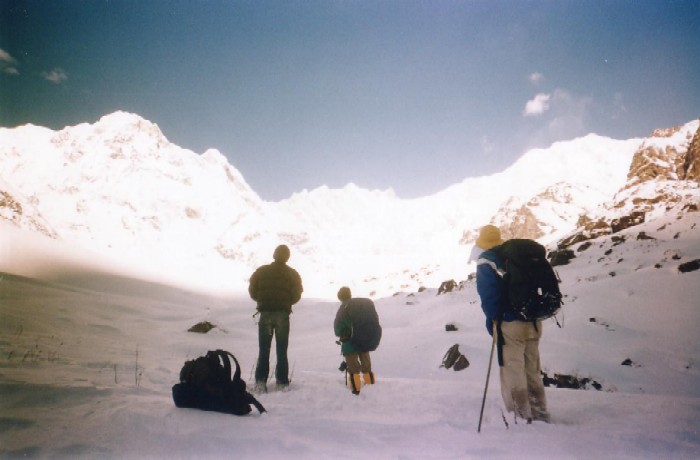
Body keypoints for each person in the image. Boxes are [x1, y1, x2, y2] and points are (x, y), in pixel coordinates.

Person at [472, 225, 550, 423]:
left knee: (513, 369)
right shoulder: (517, 256)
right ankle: (540, 412)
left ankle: (521, 416)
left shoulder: (486, 261)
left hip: (510, 323)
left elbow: (489, 298)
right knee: (532, 368)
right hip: (533, 320)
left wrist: (493, 321)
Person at [248, 244, 303, 392]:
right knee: (282, 350)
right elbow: (297, 293)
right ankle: (282, 382)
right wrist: (286, 303)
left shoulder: (261, 271)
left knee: (264, 350)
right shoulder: (292, 274)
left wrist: (262, 301)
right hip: (282, 315)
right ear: (287, 257)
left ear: (274, 255)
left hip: (265, 314)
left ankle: (260, 382)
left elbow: (252, 290)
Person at [334, 287, 376, 395]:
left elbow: (337, 329)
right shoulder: (361, 306)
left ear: (340, 297)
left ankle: (355, 391)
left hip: (349, 342)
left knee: (353, 368)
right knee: (366, 365)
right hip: (364, 339)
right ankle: (371, 386)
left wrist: (343, 333)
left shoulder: (344, 308)